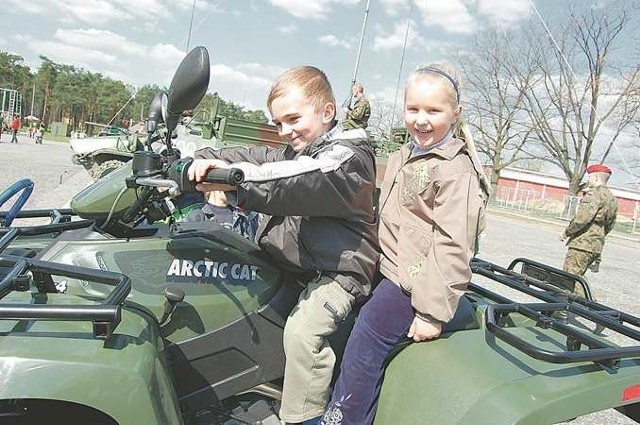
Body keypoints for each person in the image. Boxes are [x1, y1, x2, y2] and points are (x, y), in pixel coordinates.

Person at [188, 66, 379, 425]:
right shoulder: (296, 150)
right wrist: (204, 157)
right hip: (300, 264)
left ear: (327, 112)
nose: (285, 131)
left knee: (303, 333)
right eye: (278, 123)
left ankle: (302, 417)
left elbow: (297, 183)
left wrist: (234, 180)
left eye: (293, 119)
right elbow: (253, 156)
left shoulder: (346, 158)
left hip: (341, 272)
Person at [320, 64, 490, 425]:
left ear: (456, 114)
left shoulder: (454, 170)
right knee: (338, 317)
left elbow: (453, 245)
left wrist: (431, 312)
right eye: (413, 109)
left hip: (416, 280)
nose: (421, 120)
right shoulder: (408, 153)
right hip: (388, 266)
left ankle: (344, 420)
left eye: (433, 111)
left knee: (368, 335)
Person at [560, 164, 618, 280]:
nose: (588, 180)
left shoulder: (594, 194)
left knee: (570, 279)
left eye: (590, 177)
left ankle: (587, 299)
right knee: (579, 277)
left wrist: (566, 232)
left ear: (596, 178)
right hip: (596, 244)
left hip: (583, 243)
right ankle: (587, 298)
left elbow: (582, 219)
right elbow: (611, 224)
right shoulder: (612, 198)